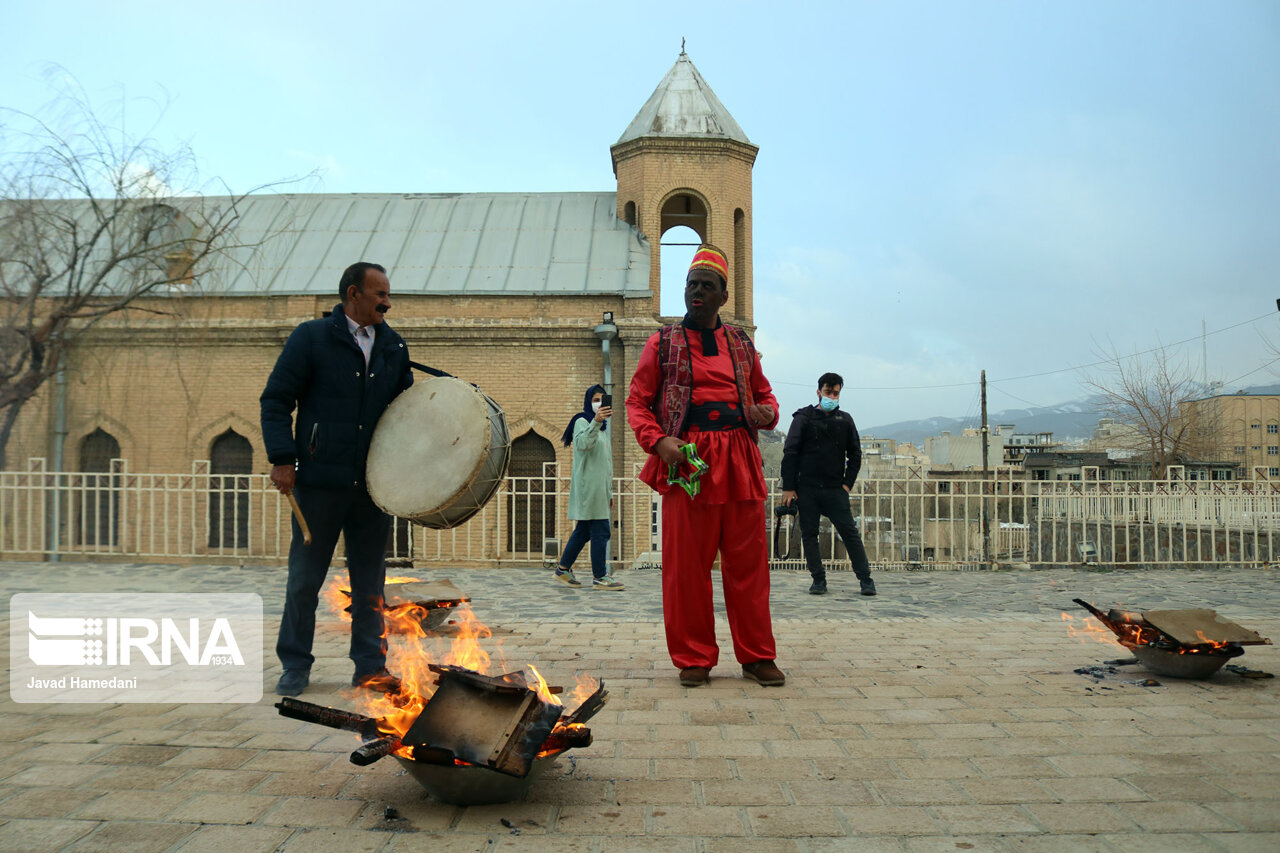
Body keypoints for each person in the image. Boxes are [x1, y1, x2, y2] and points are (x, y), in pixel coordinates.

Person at [626, 244, 785, 688]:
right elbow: (637, 403)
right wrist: (658, 442)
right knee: (685, 567)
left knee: (748, 565)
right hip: (688, 463)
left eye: (707, 286)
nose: (697, 292)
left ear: (723, 296)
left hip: (740, 459)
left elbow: (767, 397)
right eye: (692, 285)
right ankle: (694, 657)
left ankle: (757, 656)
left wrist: (765, 413)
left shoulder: (742, 345)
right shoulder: (661, 343)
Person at [260, 261, 413, 697]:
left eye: (388, 294)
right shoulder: (311, 338)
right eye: (379, 294)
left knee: (370, 585)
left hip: (371, 490)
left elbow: (404, 416)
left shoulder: (393, 346)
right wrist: (283, 458)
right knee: (305, 580)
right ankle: (294, 664)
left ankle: (370, 666)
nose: (387, 302)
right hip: (319, 486)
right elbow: (276, 400)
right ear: (353, 294)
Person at [780, 373, 876, 597]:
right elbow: (790, 452)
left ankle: (866, 580)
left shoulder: (845, 420)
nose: (831, 396)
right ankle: (818, 580)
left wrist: (846, 485)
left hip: (835, 489)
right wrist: (789, 487)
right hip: (807, 489)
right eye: (828, 392)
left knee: (850, 534)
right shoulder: (803, 418)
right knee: (809, 535)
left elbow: (855, 455)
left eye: (835, 393)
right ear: (818, 392)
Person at [553, 384, 624, 591]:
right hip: (588, 487)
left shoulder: (602, 429)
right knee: (601, 530)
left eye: (603, 399)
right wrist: (596, 421)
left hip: (598, 489)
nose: (599, 403)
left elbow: (605, 464)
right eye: (595, 399)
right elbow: (582, 444)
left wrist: (608, 492)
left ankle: (563, 569)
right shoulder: (582, 421)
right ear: (588, 401)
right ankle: (600, 576)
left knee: (584, 530)